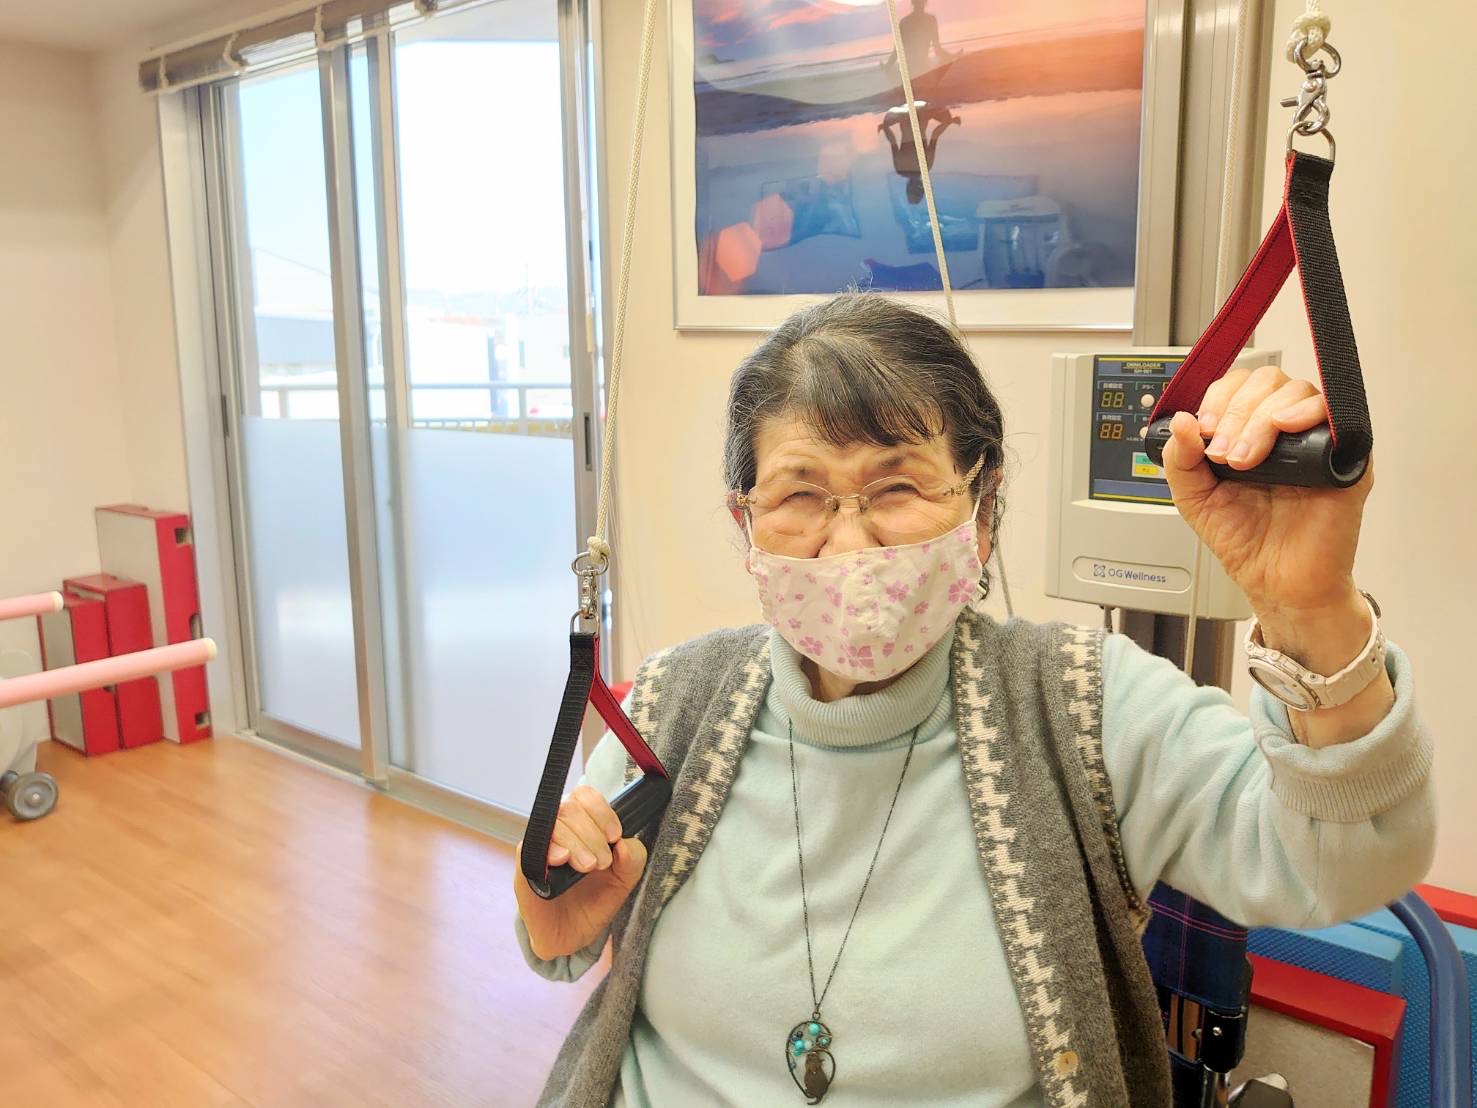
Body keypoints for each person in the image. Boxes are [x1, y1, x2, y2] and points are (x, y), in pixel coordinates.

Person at [514, 294, 1433, 1106]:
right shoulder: (675, 704)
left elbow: (1341, 863)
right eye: (799, 495)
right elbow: (560, 933)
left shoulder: (1084, 709)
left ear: (982, 507)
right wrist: (549, 916)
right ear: (744, 521)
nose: (849, 547)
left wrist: (1308, 608)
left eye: (897, 486)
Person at [879, 102, 961, 205]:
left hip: (922, 114)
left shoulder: (926, 166)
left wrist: (949, 122)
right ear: (907, 187)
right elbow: (892, 141)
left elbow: (935, 134)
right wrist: (885, 128)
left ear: (922, 187)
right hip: (904, 116)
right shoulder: (900, 169)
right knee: (889, 120)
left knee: (945, 117)